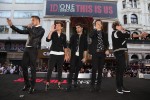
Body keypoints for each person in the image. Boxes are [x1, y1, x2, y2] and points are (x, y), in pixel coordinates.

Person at [7, 16, 45, 94]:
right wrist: (11, 26)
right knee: (24, 66)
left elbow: (34, 36)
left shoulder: (41, 30)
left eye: (33, 20)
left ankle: (32, 86)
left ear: (37, 20)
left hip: (33, 49)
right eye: (31, 20)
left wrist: (29, 28)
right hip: (27, 48)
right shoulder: (31, 28)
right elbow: (21, 31)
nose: (32, 21)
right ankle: (27, 84)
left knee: (33, 68)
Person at [111, 21, 148, 94]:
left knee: (121, 70)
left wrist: (124, 29)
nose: (121, 26)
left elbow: (128, 33)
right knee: (120, 70)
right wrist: (140, 35)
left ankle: (121, 86)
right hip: (118, 52)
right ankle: (119, 87)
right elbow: (129, 35)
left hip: (122, 52)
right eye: (120, 25)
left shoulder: (120, 32)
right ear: (116, 27)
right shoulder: (116, 32)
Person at [45, 21, 70, 91]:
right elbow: (47, 40)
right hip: (53, 53)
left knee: (60, 70)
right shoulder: (53, 33)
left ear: (62, 27)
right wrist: (51, 31)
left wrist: (66, 55)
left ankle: (59, 84)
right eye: (56, 25)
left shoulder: (64, 35)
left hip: (61, 54)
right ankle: (47, 84)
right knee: (50, 69)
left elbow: (65, 46)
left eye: (59, 25)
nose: (57, 26)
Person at [66, 23, 88, 92]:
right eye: (76, 28)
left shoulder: (85, 37)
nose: (77, 29)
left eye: (78, 27)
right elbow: (69, 47)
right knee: (71, 69)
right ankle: (69, 85)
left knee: (77, 70)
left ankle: (75, 82)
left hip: (81, 56)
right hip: (73, 56)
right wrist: (68, 55)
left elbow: (85, 49)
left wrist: (85, 57)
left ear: (82, 28)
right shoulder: (73, 36)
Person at [89, 19, 109, 92]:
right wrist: (95, 29)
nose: (97, 24)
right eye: (96, 23)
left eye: (99, 23)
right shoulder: (93, 32)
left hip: (102, 53)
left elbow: (106, 43)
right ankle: (92, 86)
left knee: (100, 70)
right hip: (95, 53)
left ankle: (98, 86)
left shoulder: (104, 33)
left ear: (101, 24)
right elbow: (90, 36)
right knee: (94, 69)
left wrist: (107, 49)